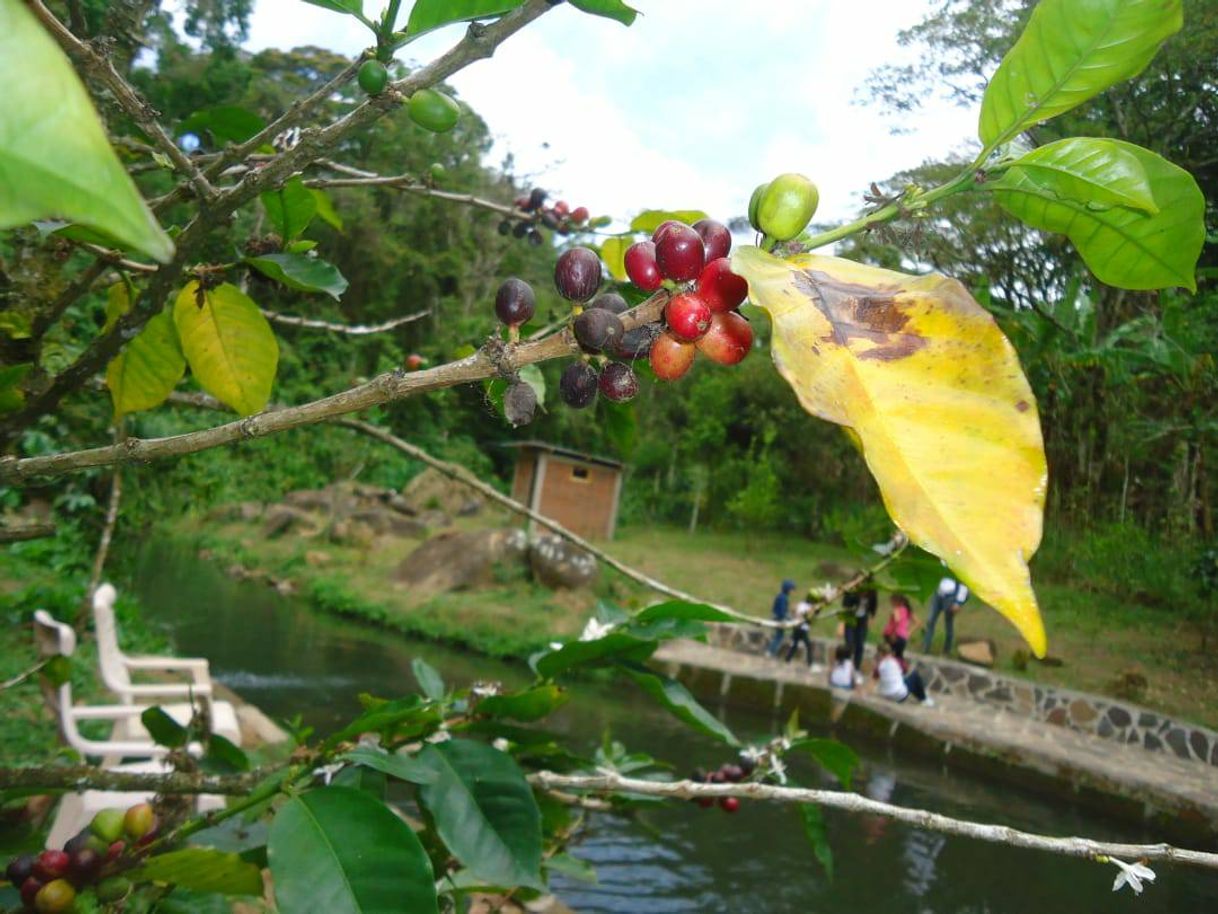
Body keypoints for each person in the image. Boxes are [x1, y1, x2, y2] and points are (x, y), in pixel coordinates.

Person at [871, 641, 934, 706]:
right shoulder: (897, 661)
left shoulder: (879, 665)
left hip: (886, 695)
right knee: (914, 676)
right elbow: (906, 671)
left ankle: (921, 694)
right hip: (899, 696)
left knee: (905, 680)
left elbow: (873, 679)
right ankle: (924, 698)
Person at [922, 576, 969, 655]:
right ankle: (926, 646)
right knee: (931, 620)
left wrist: (958, 602)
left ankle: (947, 649)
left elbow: (963, 585)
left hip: (950, 597)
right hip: (938, 594)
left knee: (948, 623)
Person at [842, 587, 877, 674]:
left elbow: (873, 608)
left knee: (860, 645)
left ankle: (856, 668)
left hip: (862, 621)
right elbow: (845, 605)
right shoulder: (852, 593)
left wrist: (871, 620)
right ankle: (845, 666)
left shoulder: (872, 595)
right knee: (849, 643)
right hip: (851, 619)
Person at [882, 592, 919, 661]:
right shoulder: (908, 610)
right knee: (899, 657)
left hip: (893, 636)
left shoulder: (896, 609)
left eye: (892, 600)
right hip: (903, 637)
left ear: (896, 601)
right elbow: (918, 623)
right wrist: (909, 632)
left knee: (887, 656)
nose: (891, 603)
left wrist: (893, 634)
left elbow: (897, 620)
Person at [766, 579, 796, 657]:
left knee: (779, 635)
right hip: (779, 618)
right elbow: (782, 611)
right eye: (792, 589)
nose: (793, 592)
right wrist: (786, 618)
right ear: (787, 589)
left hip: (778, 616)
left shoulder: (781, 596)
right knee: (779, 636)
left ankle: (771, 651)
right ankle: (770, 652)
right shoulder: (783, 598)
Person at [784, 597, 813, 666]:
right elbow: (807, 617)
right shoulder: (809, 607)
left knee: (794, 644)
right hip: (802, 628)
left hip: (797, 627)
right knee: (808, 645)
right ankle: (810, 663)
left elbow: (794, 611)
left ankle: (787, 659)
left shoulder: (801, 604)